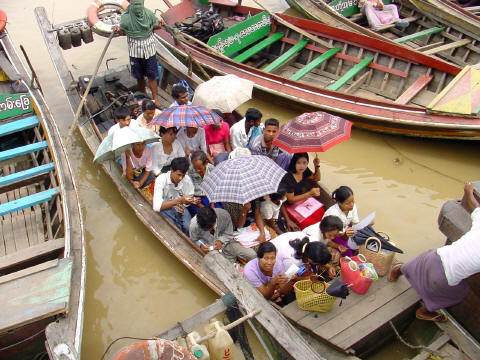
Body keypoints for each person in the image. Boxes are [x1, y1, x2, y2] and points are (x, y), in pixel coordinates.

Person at [389, 183, 480, 322]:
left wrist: (468, 191)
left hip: (436, 257)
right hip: (445, 279)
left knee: (413, 265)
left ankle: (396, 272)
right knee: (459, 294)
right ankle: (425, 310)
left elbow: (475, 206)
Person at [115, 0, 163, 107]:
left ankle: (155, 97)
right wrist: (118, 29)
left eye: (139, 4)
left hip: (149, 50)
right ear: (131, 4)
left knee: (152, 76)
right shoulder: (126, 17)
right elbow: (122, 32)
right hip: (135, 51)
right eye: (135, 4)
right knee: (139, 76)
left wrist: (159, 25)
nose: (138, 7)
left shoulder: (149, 14)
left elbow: (154, 25)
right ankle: (143, 95)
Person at [189, 207, 256, 262]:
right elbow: (194, 240)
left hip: (227, 243)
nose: (210, 230)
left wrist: (221, 241)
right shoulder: (194, 226)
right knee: (224, 267)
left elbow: (229, 234)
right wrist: (201, 245)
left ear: (216, 218)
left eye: (211, 227)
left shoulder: (224, 215)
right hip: (210, 249)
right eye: (206, 229)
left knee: (252, 255)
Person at [153, 157, 198, 236]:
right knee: (175, 227)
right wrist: (179, 201)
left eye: (183, 175)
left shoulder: (187, 180)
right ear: (171, 170)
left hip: (181, 207)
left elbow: (188, 198)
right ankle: (177, 232)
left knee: (188, 227)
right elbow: (156, 206)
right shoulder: (161, 179)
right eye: (179, 175)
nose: (180, 178)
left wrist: (190, 201)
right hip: (166, 208)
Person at [281, 153, 322, 228]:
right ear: (294, 163)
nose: (302, 166)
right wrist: (309, 194)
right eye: (299, 163)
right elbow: (290, 200)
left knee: (321, 211)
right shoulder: (288, 178)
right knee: (307, 223)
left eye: (304, 163)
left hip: (300, 200)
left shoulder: (304, 171)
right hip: (288, 205)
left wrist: (316, 165)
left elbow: (317, 178)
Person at [270, 232, 335, 278]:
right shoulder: (293, 262)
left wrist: (329, 267)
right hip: (269, 259)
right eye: (317, 263)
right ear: (310, 259)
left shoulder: (313, 242)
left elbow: (318, 256)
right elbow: (285, 278)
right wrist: (303, 278)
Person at [323, 186, 359, 256]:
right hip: (333, 233)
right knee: (347, 249)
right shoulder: (334, 214)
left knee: (358, 242)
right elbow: (343, 237)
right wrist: (346, 234)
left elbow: (355, 223)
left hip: (345, 229)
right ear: (339, 203)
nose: (351, 205)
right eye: (347, 203)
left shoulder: (353, 206)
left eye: (352, 201)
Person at [188, 150, 221, 215]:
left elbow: (214, 188)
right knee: (203, 216)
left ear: (206, 163)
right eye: (195, 168)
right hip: (196, 199)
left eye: (199, 168)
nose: (197, 170)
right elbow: (189, 193)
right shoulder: (190, 172)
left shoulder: (212, 169)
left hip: (210, 198)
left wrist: (212, 205)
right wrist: (202, 207)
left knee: (218, 213)